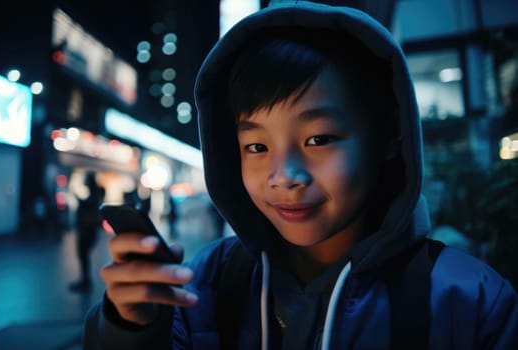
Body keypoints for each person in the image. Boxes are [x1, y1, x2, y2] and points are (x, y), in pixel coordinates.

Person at [83, 1, 518, 349]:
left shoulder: (469, 302)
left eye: (319, 139)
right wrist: (129, 327)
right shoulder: (209, 283)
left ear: (390, 138)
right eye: (256, 147)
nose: (284, 176)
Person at [70, 172, 105, 292]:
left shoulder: (94, 195)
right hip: (87, 229)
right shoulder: (95, 194)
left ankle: (85, 280)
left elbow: (86, 205)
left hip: (87, 230)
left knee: (83, 255)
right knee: (83, 255)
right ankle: (85, 279)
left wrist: (76, 196)